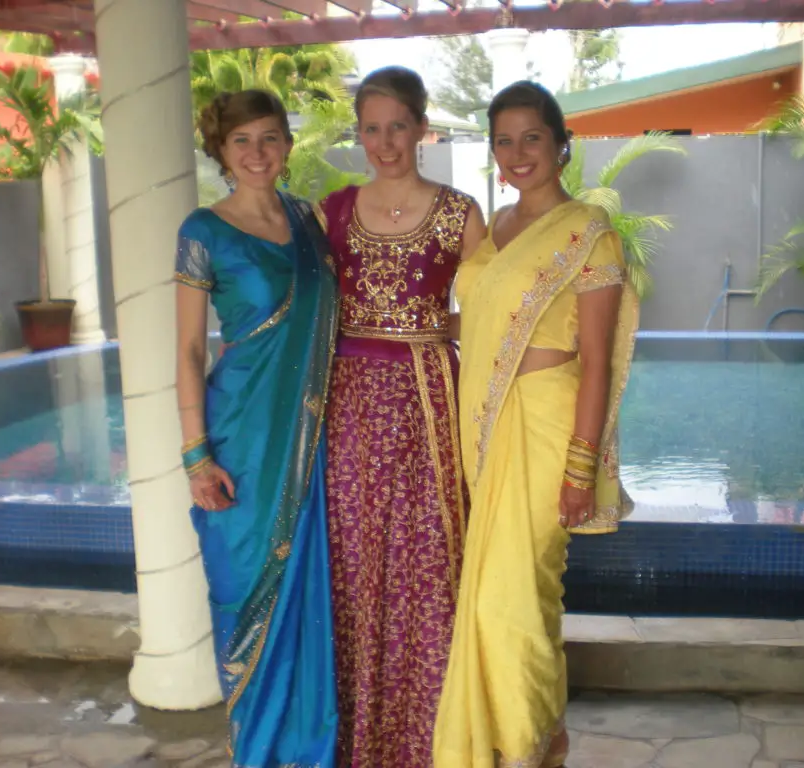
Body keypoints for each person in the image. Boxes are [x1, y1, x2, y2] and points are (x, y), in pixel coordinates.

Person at [433, 81, 639, 768]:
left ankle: (524, 747)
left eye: (532, 138)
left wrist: (582, 467)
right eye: (503, 139)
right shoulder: (498, 227)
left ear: (560, 145)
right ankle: (536, 740)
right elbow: (487, 322)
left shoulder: (590, 233)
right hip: (487, 426)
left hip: (548, 423)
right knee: (503, 599)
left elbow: (600, 361)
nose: (517, 153)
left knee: (514, 604)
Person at [317, 66, 486, 767]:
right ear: (359, 132)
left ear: (422, 127)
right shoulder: (331, 212)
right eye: (372, 128)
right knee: (353, 567)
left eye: (398, 125)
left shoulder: (459, 212)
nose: (385, 142)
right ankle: (359, 737)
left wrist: (442, 330)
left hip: (427, 405)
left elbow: (488, 318)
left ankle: (429, 738)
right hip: (349, 404)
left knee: (427, 564)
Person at [174, 89, 338, 766]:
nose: (257, 153)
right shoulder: (203, 232)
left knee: (312, 591)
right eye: (241, 141)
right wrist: (195, 454)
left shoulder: (311, 219)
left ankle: (313, 748)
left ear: (288, 145)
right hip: (242, 437)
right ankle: (261, 752)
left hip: (313, 435)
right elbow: (187, 350)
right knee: (245, 588)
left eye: (269, 137)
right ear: (220, 151)